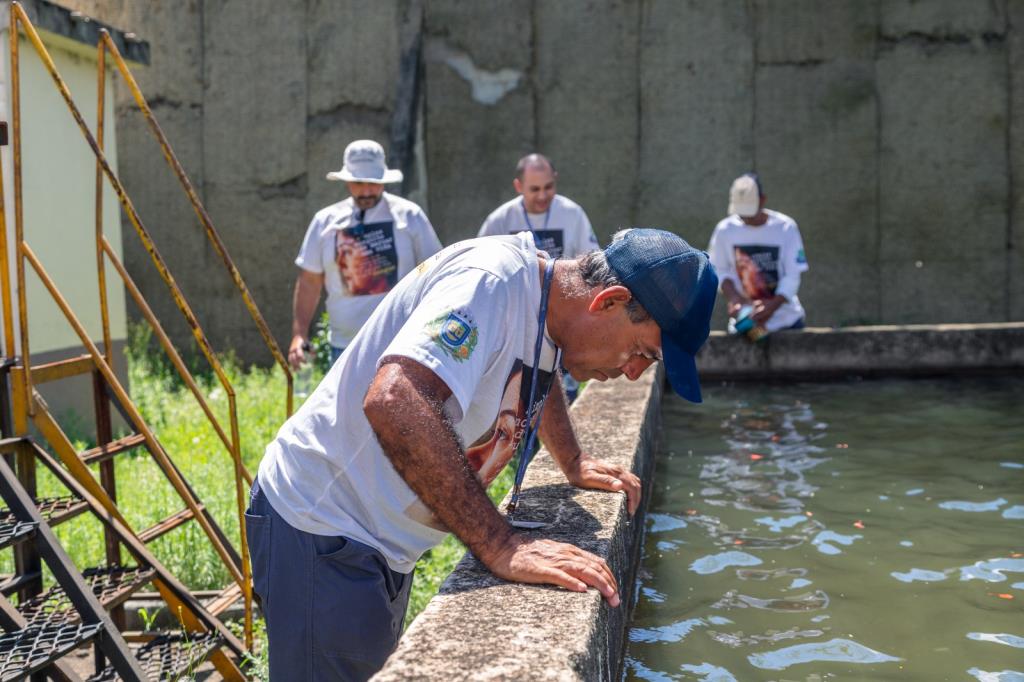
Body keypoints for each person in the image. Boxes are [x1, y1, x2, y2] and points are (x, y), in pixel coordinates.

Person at [246, 228, 718, 680]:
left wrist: (571, 459)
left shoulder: (546, 310)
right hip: (323, 526)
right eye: (641, 351)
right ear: (608, 301)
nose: (634, 373)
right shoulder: (489, 284)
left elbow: (538, 363)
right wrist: (502, 544)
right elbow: (395, 399)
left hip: (377, 539)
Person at [288, 139, 443, 369]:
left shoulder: (410, 217)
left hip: (402, 344)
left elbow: (435, 271)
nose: (367, 190)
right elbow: (310, 280)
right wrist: (299, 334)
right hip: (344, 347)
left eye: (374, 183)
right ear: (347, 181)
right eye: (359, 183)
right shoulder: (325, 222)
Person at [478, 153, 600, 400]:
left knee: (564, 398)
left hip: (561, 322)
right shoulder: (500, 221)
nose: (543, 196)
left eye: (548, 187)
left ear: (555, 179)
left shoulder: (572, 214)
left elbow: (592, 264)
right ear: (518, 186)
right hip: (516, 323)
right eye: (535, 189)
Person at [707, 172, 808, 335]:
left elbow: (793, 275)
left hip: (787, 322)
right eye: (741, 213)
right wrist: (735, 299)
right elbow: (718, 269)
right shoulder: (725, 230)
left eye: (749, 211)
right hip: (746, 325)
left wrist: (773, 305)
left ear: (762, 200)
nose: (745, 218)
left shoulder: (786, 228)